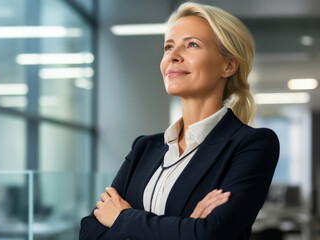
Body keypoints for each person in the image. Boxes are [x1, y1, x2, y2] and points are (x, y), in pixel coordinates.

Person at [79, 2, 279, 240]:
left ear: (228, 65)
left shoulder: (252, 144)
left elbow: (209, 234)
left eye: (192, 45)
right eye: (168, 47)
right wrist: (183, 227)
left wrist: (122, 218)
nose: (172, 56)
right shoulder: (144, 148)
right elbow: (89, 231)